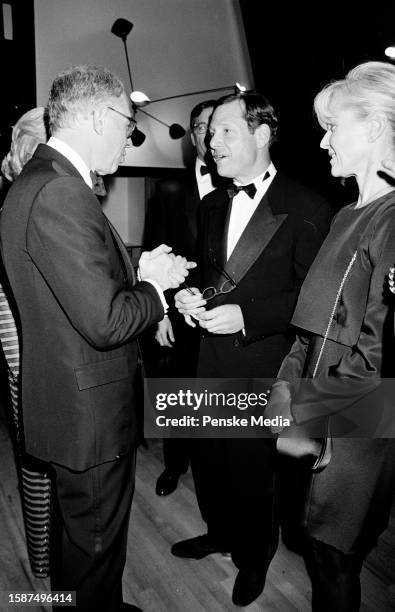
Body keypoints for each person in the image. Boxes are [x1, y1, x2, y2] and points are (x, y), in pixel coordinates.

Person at [0, 65, 194, 612]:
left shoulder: (40, 180)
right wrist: (153, 288)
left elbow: (77, 274)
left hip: (69, 406)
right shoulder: (62, 190)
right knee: (96, 548)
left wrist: (136, 265)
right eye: (128, 124)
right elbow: (106, 321)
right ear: (97, 116)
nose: (130, 136)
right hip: (89, 416)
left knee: (79, 541)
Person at [173, 92, 332, 607]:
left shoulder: (308, 205)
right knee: (210, 463)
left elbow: (314, 299)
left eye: (224, 132)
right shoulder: (210, 203)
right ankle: (219, 533)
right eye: (210, 133)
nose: (210, 143)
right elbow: (207, 271)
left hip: (263, 365)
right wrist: (187, 294)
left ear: (261, 135)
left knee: (251, 474)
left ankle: (253, 557)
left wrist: (249, 315)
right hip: (207, 361)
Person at [265, 61, 395, 611]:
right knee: (316, 550)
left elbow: (378, 351)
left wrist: (311, 421)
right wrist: (284, 397)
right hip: (318, 412)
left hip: (358, 422)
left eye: (331, 127)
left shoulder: (392, 217)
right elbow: (308, 327)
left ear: (373, 128)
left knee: (334, 558)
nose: (322, 142)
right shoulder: (347, 213)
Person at [144, 99, 219, 496]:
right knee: (178, 392)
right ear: (193, 136)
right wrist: (160, 315)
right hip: (178, 313)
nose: (209, 133)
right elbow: (153, 257)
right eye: (202, 126)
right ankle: (174, 465)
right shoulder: (169, 190)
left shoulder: (241, 185)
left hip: (226, 319)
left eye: (217, 124)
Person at [0, 106, 52, 578]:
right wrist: (24, 370)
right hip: (31, 363)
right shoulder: (21, 202)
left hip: (40, 360)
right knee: (38, 468)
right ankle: (44, 565)